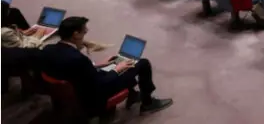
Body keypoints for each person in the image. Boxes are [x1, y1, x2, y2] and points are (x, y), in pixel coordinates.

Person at [40, 17, 173, 116]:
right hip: (93, 96)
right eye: (84, 32)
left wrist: (99, 66)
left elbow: (77, 72)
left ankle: (133, 95)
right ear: (75, 34)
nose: (86, 32)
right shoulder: (78, 59)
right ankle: (148, 103)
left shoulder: (48, 49)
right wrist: (117, 69)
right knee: (142, 63)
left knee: (119, 65)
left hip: (79, 88)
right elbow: (101, 83)